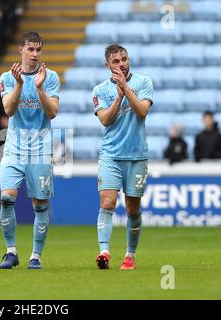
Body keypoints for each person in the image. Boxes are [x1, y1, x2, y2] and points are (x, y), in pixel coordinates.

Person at [0, 32, 60, 270]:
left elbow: (52, 112)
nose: (35, 54)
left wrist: (40, 88)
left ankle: (36, 255)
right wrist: (21, 85)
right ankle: (10, 251)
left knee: (40, 204)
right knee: (6, 199)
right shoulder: (8, 77)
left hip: (41, 149)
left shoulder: (50, 77)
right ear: (21, 49)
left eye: (38, 50)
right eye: (31, 49)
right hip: (14, 149)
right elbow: (9, 109)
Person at [92, 44, 153, 270]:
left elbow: (142, 111)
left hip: (136, 155)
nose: (122, 64)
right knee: (107, 202)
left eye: (124, 59)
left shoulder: (144, 82)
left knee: (132, 209)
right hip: (110, 154)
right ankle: (104, 252)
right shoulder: (99, 90)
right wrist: (118, 97)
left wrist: (126, 88)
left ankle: (130, 255)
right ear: (107, 65)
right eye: (116, 62)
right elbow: (106, 120)